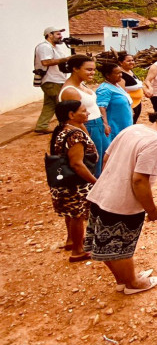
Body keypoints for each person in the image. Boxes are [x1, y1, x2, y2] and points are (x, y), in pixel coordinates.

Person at [84, 106, 157, 295]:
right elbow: (139, 179)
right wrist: (152, 210)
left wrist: (110, 180)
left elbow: (106, 157)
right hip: (122, 202)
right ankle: (132, 283)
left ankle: (123, 280)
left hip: (102, 194)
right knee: (122, 246)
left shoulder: (132, 129)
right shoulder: (155, 141)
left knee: (106, 244)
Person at [48, 100, 98, 262]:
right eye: (83, 111)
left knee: (70, 212)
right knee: (77, 215)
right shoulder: (75, 135)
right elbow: (77, 164)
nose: (87, 113)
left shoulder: (63, 129)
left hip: (64, 181)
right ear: (71, 114)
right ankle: (78, 250)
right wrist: (94, 181)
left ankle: (71, 240)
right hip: (75, 184)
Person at [58, 55, 107, 177]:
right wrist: (87, 138)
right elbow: (75, 120)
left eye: (93, 69)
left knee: (103, 160)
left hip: (97, 125)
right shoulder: (70, 91)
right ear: (75, 69)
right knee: (92, 162)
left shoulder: (82, 85)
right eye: (88, 69)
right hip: (87, 126)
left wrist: (103, 123)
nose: (92, 73)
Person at [34, 26, 71, 134]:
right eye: (58, 34)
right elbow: (45, 62)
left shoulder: (55, 47)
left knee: (50, 104)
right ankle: (64, 126)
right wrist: (66, 59)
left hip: (56, 79)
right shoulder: (45, 47)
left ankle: (42, 125)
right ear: (49, 35)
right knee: (62, 104)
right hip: (52, 80)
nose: (61, 36)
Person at [96, 63, 133, 143]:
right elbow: (101, 107)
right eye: (117, 73)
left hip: (124, 123)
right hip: (114, 126)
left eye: (121, 72)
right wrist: (105, 124)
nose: (120, 75)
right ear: (108, 75)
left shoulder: (117, 86)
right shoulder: (105, 89)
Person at [118, 52, 149, 124]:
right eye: (128, 61)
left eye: (132, 60)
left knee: (134, 121)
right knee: (129, 122)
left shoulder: (130, 71)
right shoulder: (120, 74)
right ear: (121, 62)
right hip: (129, 104)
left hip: (137, 102)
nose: (131, 62)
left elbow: (139, 84)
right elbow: (121, 91)